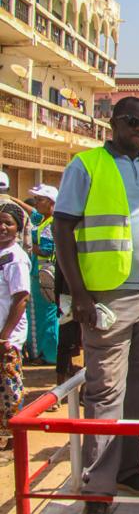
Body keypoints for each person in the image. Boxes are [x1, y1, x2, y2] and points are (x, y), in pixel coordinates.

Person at [53, 96, 139, 514]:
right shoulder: (86, 165)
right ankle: (97, 492)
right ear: (113, 123)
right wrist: (80, 295)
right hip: (108, 296)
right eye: (135, 122)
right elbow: (63, 228)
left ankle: (129, 470)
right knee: (105, 391)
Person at [0, 201, 31, 452]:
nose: (2, 227)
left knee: (10, 387)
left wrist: (5, 335)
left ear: (17, 228)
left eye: (8, 223)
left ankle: (13, 438)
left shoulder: (17, 258)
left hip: (7, 336)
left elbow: (21, 298)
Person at [23, 184, 59, 365]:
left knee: (43, 316)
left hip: (44, 274)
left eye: (40, 200)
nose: (36, 203)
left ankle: (45, 354)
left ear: (51, 203)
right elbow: (32, 213)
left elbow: (46, 249)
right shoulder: (43, 219)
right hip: (41, 273)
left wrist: (28, 246)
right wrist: (12, 199)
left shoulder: (50, 224)